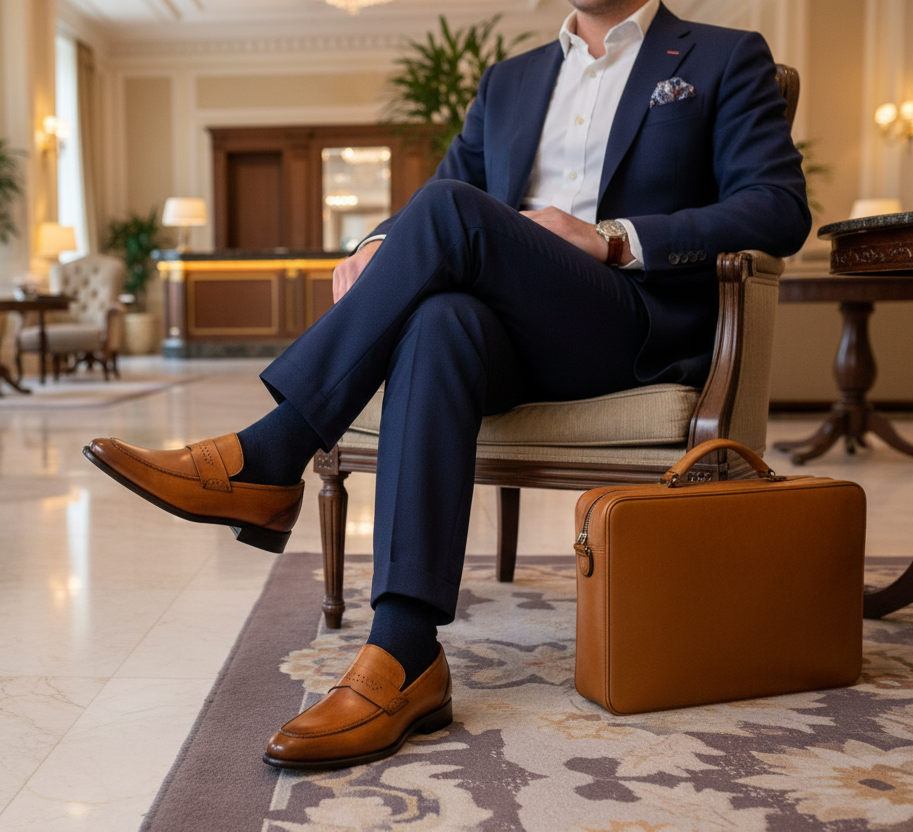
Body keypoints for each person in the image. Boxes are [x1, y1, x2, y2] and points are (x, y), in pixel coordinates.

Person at [85, 0, 811, 771]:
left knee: (452, 214)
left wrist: (610, 239)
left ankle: (271, 454)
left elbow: (777, 207)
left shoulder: (722, 57)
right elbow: (439, 192)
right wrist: (374, 245)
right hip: (515, 336)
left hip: (631, 326)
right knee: (440, 321)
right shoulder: (510, 82)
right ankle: (405, 653)